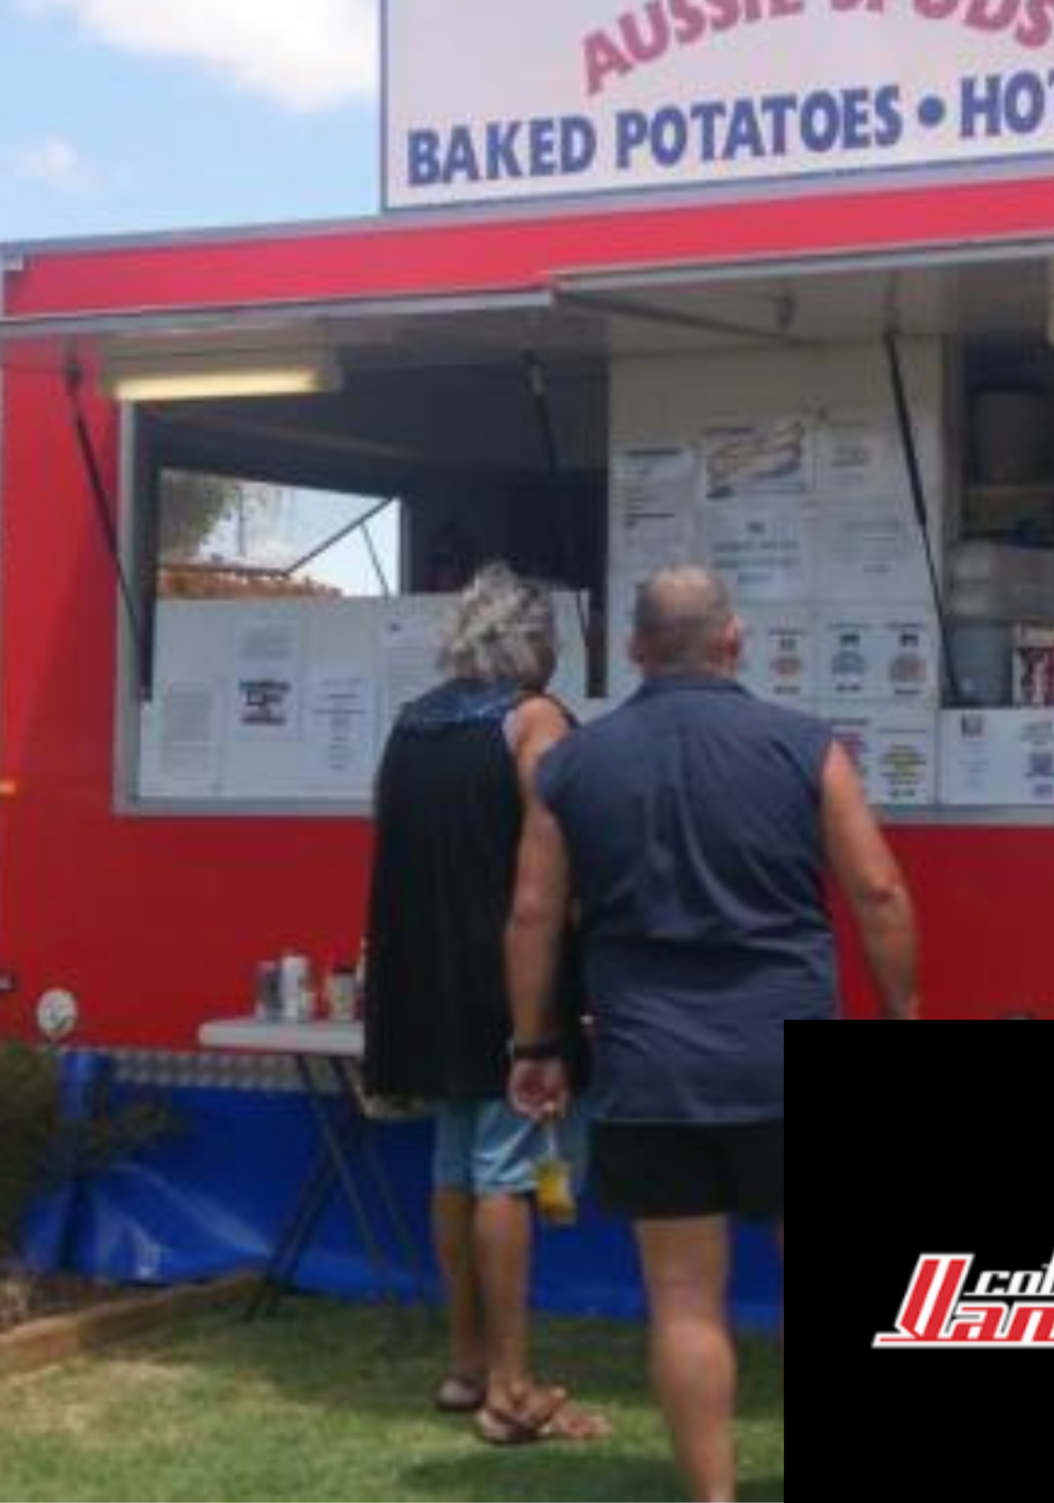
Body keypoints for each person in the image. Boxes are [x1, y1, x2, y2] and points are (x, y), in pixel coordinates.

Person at [508, 565, 918, 1503]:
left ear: (634, 649)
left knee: (685, 1300)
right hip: (785, 1056)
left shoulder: (570, 766)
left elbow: (533, 911)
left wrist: (535, 1045)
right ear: (734, 642)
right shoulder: (807, 748)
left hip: (651, 1069)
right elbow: (879, 889)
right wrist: (903, 1016)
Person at [362, 563, 607, 1447]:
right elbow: (565, 850)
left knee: (453, 1166)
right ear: (533, 643)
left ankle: (466, 1364)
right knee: (506, 1172)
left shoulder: (411, 723)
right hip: (509, 980)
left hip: (422, 978)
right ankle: (511, 1387)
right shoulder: (535, 721)